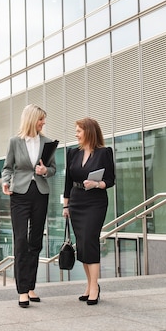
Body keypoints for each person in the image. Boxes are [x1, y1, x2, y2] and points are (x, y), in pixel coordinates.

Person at [2, 104, 57, 308]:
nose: (43, 123)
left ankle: (31, 286)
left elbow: (53, 169)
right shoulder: (15, 142)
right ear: (32, 119)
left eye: (44, 120)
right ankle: (22, 290)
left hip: (40, 193)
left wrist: (45, 171)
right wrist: (5, 182)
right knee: (20, 240)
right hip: (19, 194)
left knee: (35, 241)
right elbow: (7, 168)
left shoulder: (48, 142)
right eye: (41, 119)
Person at [63, 117, 115, 305]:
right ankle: (89, 285)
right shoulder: (72, 153)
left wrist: (97, 184)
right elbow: (68, 181)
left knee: (90, 240)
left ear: (89, 132)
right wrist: (65, 205)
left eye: (79, 131)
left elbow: (111, 180)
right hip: (76, 201)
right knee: (82, 244)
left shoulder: (104, 152)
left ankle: (94, 287)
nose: (76, 134)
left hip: (95, 201)